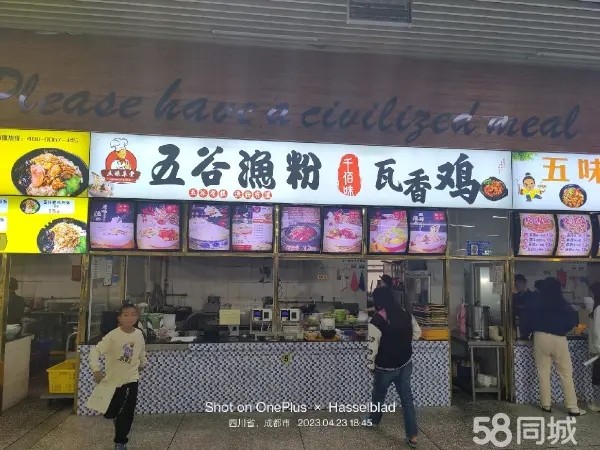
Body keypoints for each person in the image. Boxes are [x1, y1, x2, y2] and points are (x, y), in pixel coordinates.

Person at [366, 284, 422, 448]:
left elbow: (372, 348)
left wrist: (371, 366)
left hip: (385, 367)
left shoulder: (376, 320)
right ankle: (413, 436)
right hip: (405, 363)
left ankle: (374, 421)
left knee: (378, 396)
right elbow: (417, 334)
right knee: (407, 400)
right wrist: (402, 340)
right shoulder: (406, 314)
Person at [522, 277, 585, 416]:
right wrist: (562, 328)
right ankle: (573, 407)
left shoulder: (535, 301)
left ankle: (546, 405)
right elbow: (572, 320)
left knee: (543, 373)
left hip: (540, 337)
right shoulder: (562, 302)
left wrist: (528, 333)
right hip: (559, 339)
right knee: (566, 373)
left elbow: (526, 319)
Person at [90, 303, 147, 450]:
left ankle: (120, 442)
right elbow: (95, 351)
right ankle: (118, 422)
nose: (130, 318)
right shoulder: (113, 336)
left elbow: (141, 351)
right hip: (113, 381)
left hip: (131, 379)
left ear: (137, 317)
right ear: (119, 318)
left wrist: (143, 363)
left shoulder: (139, 334)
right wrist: (96, 370)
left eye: (133, 314)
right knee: (112, 413)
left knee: (127, 412)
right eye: (125, 315)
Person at [587, 283, 600, 412]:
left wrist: (598, 349)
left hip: (599, 349)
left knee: (599, 378)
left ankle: (598, 404)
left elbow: (597, 332)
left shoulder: (599, 309)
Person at [513, 274, 534, 339]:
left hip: (529, 325)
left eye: (519, 283)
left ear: (524, 283)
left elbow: (531, 308)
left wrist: (519, 307)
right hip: (516, 326)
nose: (517, 286)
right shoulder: (515, 296)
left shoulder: (531, 295)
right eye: (516, 284)